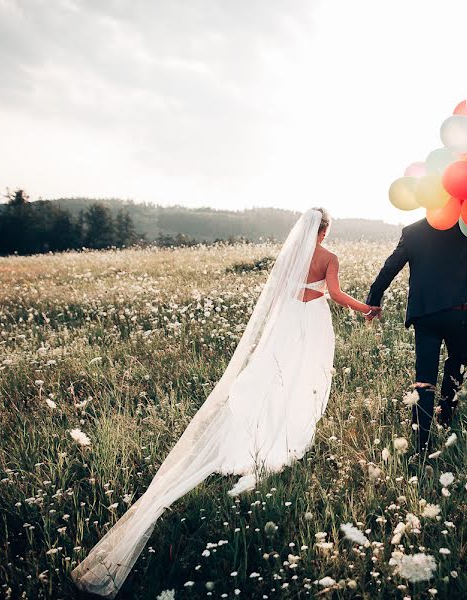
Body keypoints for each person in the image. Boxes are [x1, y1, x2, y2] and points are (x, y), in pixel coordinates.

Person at [72, 208, 371, 597]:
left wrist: (303, 293)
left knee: (273, 379)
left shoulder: (289, 256)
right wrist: (366, 309)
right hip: (311, 322)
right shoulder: (328, 257)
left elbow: (282, 295)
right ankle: (285, 431)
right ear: (324, 231)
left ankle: (263, 430)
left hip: (285, 326)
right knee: (301, 380)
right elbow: (333, 293)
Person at [365, 204, 467, 453]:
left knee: (424, 379)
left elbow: (390, 267)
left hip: (426, 315)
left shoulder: (413, 231)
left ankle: (422, 443)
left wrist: (374, 299)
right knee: (455, 368)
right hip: (460, 314)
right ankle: (446, 417)